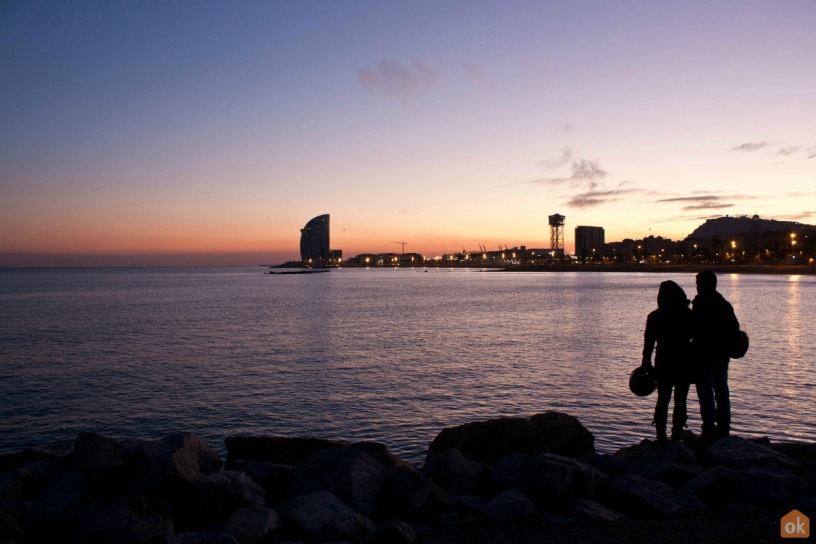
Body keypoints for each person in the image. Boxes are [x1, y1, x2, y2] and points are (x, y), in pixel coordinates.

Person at [641, 280, 694, 443]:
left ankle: (661, 436)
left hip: (663, 360)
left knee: (663, 399)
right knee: (681, 399)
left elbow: (649, 343)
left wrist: (646, 363)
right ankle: (676, 435)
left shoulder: (655, 317)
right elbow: (695, 337)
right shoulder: (688, 314)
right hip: (684, 360)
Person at [692, 270, 740, 441]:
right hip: (722, 354)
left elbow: (695, 328)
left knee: (706, 393)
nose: (697, 287)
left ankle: (709, 432)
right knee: (722, 393)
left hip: (705, 354)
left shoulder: (700, 302)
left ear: (704, 284)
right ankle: (724, 431)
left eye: (698, 284)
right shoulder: (724, 304)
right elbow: (735, 328)